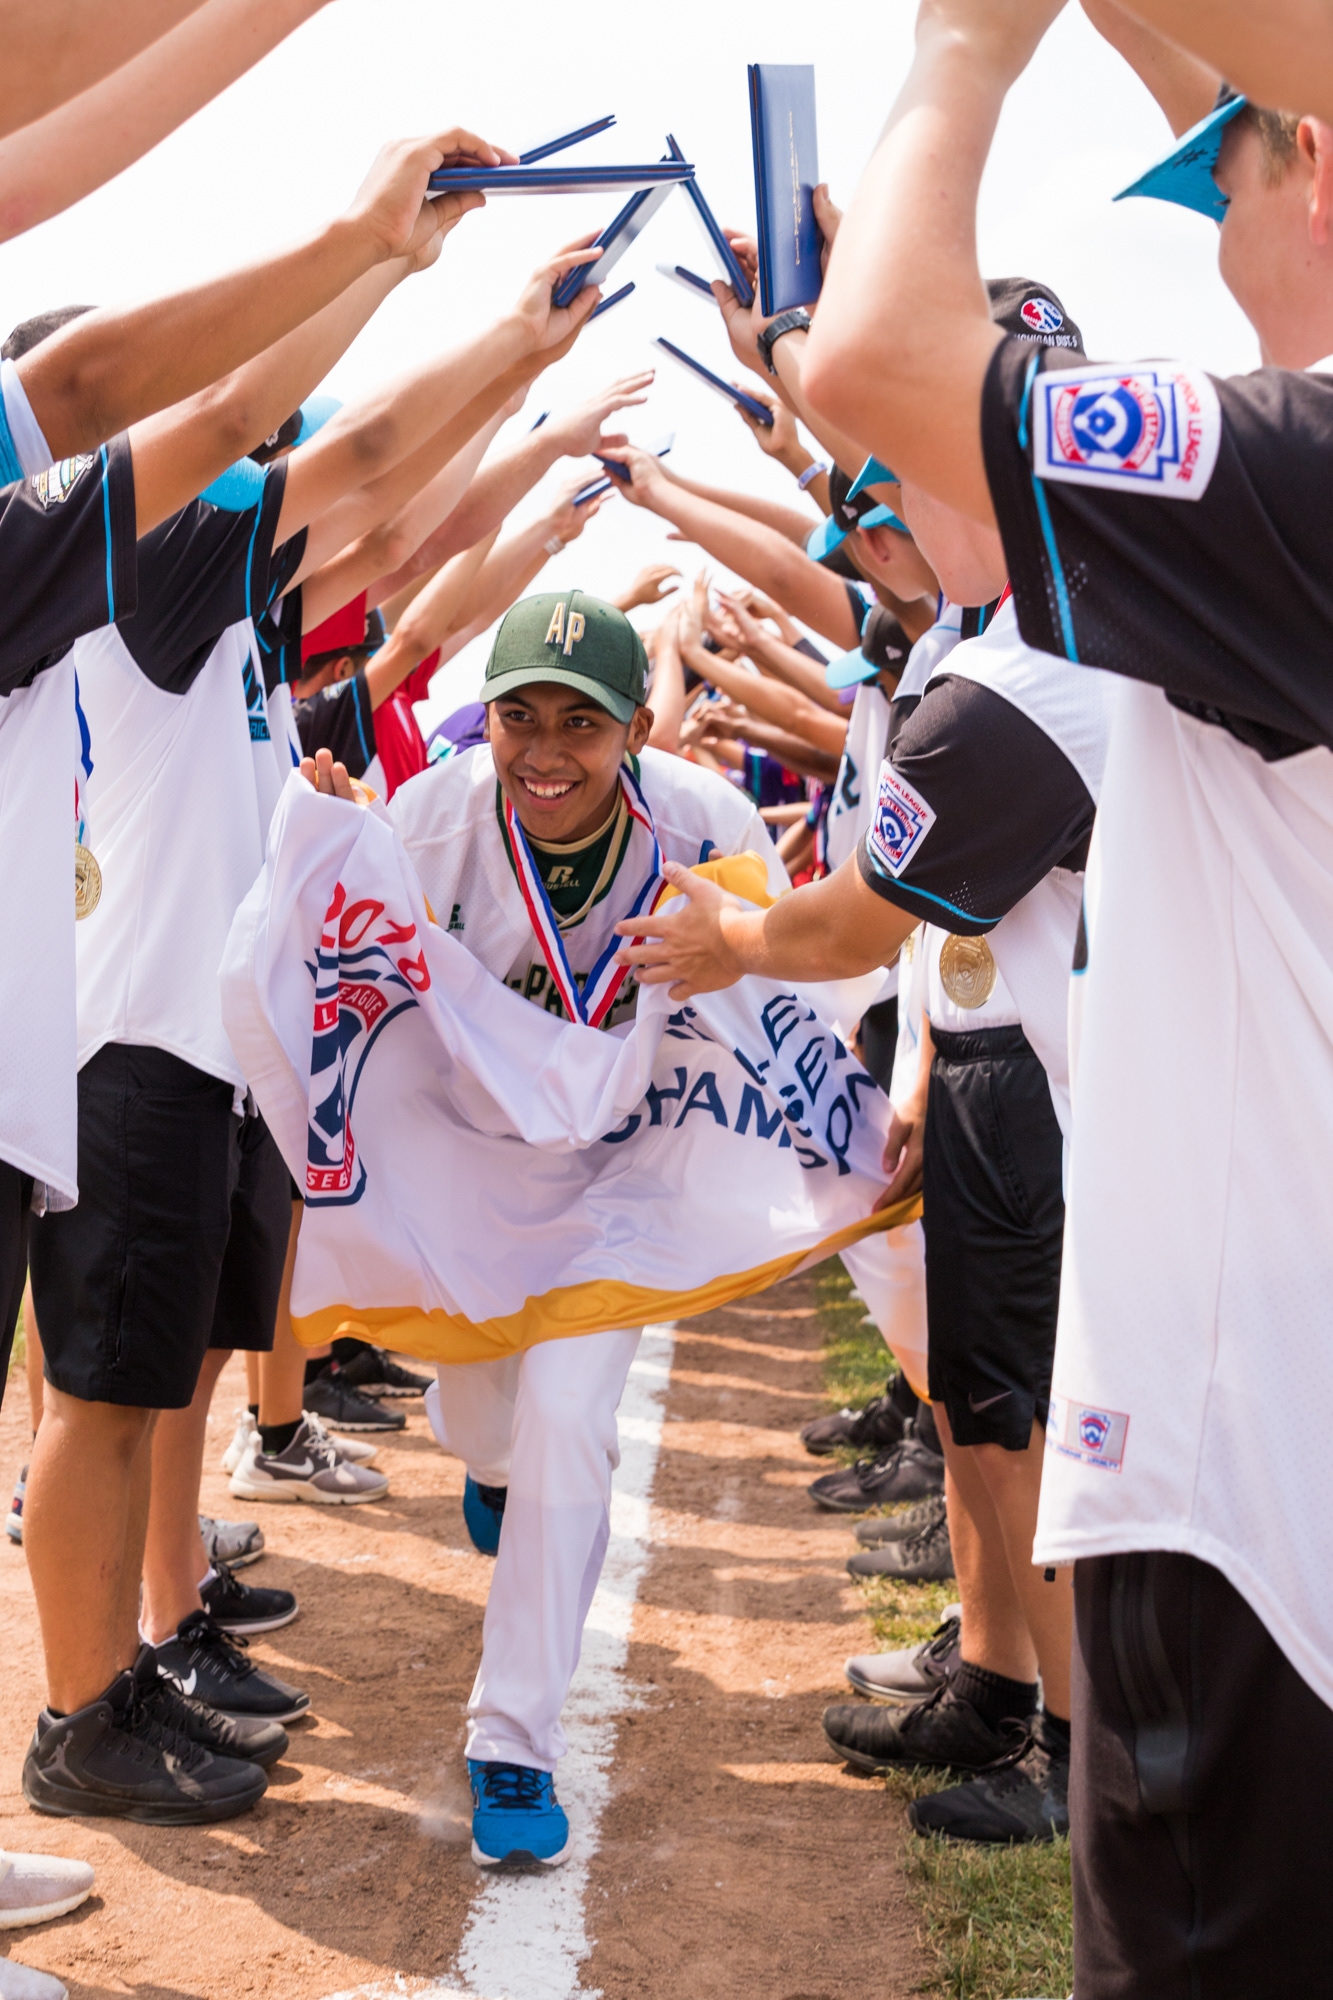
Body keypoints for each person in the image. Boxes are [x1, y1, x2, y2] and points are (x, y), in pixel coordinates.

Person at [798, 0, 1333, 1981]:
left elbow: (872, 357)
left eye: (1235, 161)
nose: (1206, 206)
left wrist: (966, 49)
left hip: (1259, 1469)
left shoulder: (1299, 480)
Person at [302, 586, 787, 1868]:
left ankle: (511, 1741)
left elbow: (794, 971)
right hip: (477, 1168)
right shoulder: (430, 816)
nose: (549, 750)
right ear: (490, 718)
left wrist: (747, 962)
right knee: (483, 1424)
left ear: (635, 727)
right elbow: (342, 963)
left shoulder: (705, 821)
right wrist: (333, 845)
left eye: (584, 720)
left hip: (627, 1180)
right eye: (522, 715)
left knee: (573, 1416)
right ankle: (496, 1469)